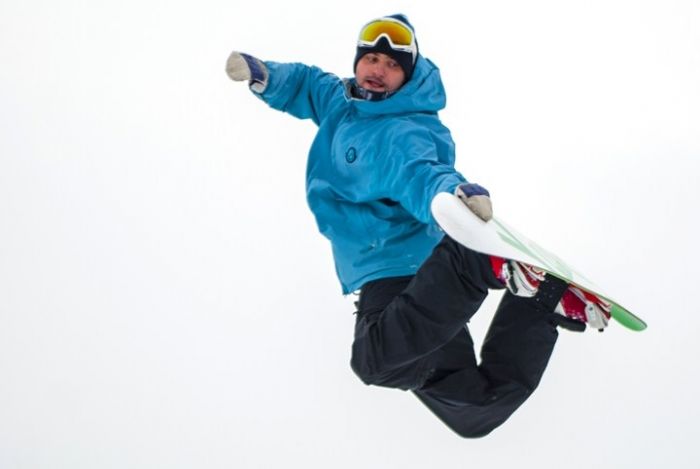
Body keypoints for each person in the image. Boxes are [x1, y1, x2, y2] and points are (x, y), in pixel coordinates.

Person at [225, 14, 611, 438]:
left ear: (407, 78)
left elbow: (422, 174)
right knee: (474, 411)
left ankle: (474, 264)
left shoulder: (401, 131)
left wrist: (455, 195)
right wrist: (263, 74)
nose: (378, 69)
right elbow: (305, 84)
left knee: (373, 360)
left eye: (393, 65)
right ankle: (540, 302)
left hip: (398, 272)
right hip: (425, 291)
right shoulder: (340, 101)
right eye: (372, 59)